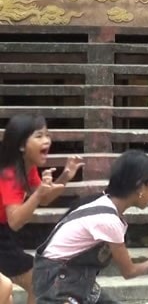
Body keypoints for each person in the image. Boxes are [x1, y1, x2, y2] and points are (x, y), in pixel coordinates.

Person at [33, 150, 148, 303]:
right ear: (140, 187)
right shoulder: (109, 220)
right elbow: (129, 271)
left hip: (73, 278)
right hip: (58, 282)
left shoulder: (104, 203)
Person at [0, 114, 84, 304]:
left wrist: (65, 177)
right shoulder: (10, 175)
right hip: (4, 234)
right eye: (39, 136)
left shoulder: (27, 168)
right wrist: (37, 195)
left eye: (47, 135)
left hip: (4, 236)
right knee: (37, 282)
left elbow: (44, 198)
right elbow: (15, 220)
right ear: (22, 146)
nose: (46, 140)